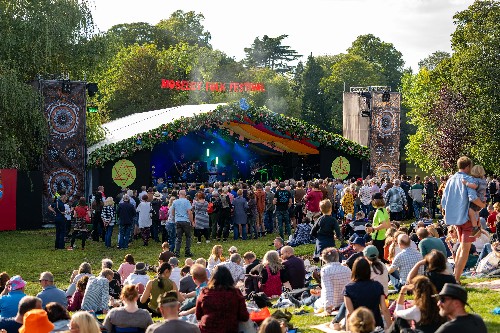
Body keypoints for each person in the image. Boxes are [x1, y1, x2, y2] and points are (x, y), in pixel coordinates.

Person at [441, 156, 485, 281]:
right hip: (466, 219)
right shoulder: (468, 179)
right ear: (468, 167)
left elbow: (444, 202)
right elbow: (473, 198)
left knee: (462, 246)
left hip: (455, 219)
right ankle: (456, 279)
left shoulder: (450, 180)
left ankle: (455, 276)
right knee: (465, 250)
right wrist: (483, 205)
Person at [195, 265, 249, 333]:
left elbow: (198, 315)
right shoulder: (236, 293)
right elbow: (244, 316)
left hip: (206, 329)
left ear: (212, 278)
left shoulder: (205, 292)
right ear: (229, 278)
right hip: (229, 330)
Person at [344, 258, 392, 332]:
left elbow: (350, 314)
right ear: (368, 270)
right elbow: (384, 309)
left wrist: (348, 331)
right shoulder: (377, 286)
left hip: (358, 328)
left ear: (354, 270)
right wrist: (391, 328)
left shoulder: (348, 288)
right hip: (376, 326)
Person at [462, 165, 487, 237]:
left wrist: (466, 183)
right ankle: (479, 226)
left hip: (477, 198)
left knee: (471, 212)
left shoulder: (476, 180)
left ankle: (475, 227)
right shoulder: (484, 180)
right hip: (482, 199)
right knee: (476, 212)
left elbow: (474, 186)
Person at [171, 190, 195, 257]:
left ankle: (177, 252)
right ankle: (187, 252)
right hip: (185, 221)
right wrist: (192, 221)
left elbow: (172, 212)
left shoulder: (175, 202)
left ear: (179, 194)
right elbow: (189, 212)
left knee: (178, 238)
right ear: (185, 194)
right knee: (188, 237)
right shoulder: (187, 202)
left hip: (178, 221)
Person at [371, 193, 391, 262]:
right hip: (384, 236)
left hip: (377, 238)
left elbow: (384, 224)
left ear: (375, 201)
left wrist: (373, 229)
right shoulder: (384, 210)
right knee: (383, 257)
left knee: (377, 259)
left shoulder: (379, 211)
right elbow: (388, 225)